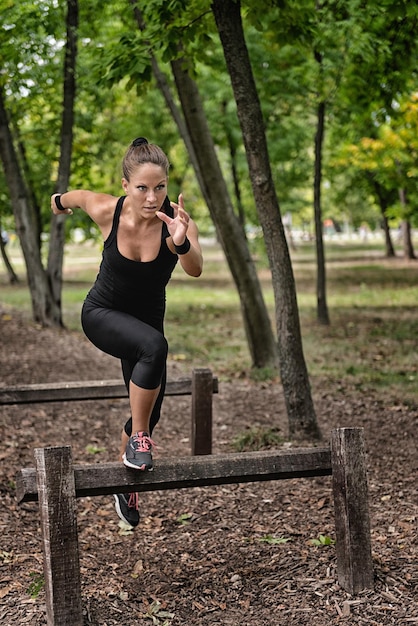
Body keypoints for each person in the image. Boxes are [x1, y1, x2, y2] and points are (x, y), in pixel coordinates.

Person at [51, 137, 203, 528]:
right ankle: (137, 442)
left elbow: (196, 269)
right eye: (142, 188)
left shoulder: (177, 222)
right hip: (102, 313)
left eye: (160, 187)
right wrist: (58, 201)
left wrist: (182, 242)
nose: (152, 197)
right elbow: (76, 197)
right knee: (155, 348)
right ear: (125, 186)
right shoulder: (108, 210)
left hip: (147, 322)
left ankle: (125, 481)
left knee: (149, 415)